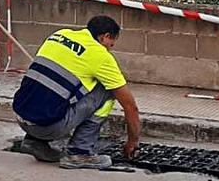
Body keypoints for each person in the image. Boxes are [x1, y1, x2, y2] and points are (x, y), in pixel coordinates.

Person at [12, 15, 141, 170]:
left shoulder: (59, 35)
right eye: (110, 44)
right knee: (108, 91)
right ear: (105, 36)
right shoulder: (100, 55)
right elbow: (130, 106)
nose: (109, 48)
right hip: (47, 127)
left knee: (53, 88)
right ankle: (80, 153)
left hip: (21, 118)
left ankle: (35, 141)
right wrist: (133, 142)